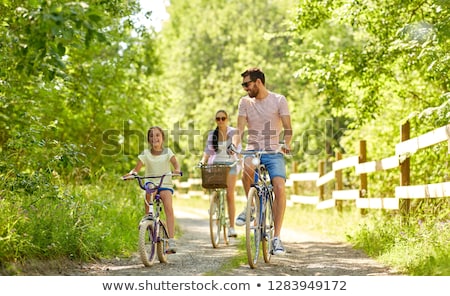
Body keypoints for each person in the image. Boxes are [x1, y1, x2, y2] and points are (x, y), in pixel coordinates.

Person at [229, 67, 292, 255]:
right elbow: (239, 130)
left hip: (274, 151)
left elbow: (288, 128)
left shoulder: (279, 100)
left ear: (258, 82)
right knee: (246, 168)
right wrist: (234, 145)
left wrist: (286, 144)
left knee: (279, 187)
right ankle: (253, 207)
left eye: (246, 84)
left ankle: (277, 238)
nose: (245, 89)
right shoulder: (245, 103)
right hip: (253, 150)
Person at [123, 126, 181, 254]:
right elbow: (136, 169)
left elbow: (176, 164)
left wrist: (176, 170)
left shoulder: (168, 151)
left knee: (167, 204)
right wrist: (131, 174)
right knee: (148, 194)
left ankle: (171, 240)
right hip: (151, 182)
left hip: (165, 182)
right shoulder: (146, 153)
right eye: (151, 136)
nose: (154, 138)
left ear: (162, 138)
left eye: (157, 135)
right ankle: (149, 224)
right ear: (149, 140)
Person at [200, 110, 241, 238]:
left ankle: (232, 227)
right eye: (218, 119)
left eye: (223, 118)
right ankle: (215, 205)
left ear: (227, 119)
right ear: (216, 120)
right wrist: (202, 161)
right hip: (217, 165)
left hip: (230, 165)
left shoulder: (233, 132)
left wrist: (236, 154)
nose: (221, 121)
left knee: (229, 195)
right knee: (215, 189)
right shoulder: (213, 134)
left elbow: (236, 146)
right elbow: (207, 151)